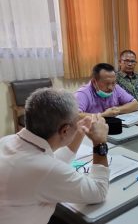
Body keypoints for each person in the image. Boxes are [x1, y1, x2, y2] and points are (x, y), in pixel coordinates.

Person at [0, 88, 110, 224]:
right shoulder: (44, 170)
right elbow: (98, 192)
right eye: (77, 120)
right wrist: (100, 143)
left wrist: (79, 132)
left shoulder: (7, 141)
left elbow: (51, 163)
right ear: (65, 130)